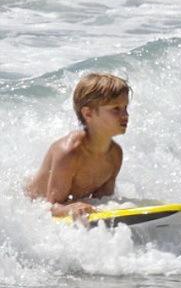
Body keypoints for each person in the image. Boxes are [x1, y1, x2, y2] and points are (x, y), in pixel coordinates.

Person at [25, 73, 131, 217]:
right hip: (30, 204)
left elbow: (103, 202)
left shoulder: (115, 155)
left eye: (125, 107)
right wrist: (69, 210)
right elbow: (50, 207)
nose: (125, 115)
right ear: (88, 113)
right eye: (115, 109)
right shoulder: (68, 152)